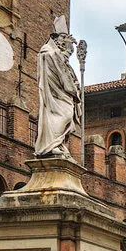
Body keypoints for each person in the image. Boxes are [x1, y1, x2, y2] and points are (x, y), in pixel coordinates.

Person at [34, 15, 81, 158]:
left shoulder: (56, 53)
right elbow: (60, 70)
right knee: (65, 114)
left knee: (65, 114)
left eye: (64, 39)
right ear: (54, 38)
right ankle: (51, 145)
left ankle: (57, 144)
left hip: (60, 92)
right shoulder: (47, 51)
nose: (62, 42)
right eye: (61, 38)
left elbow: (65, 69)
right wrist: (73, 89)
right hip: (53, 92)